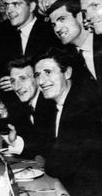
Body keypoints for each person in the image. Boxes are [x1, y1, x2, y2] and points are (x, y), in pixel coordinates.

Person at [33, 48, 102, 195]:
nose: (42, 81)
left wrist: (48, 160)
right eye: (38, 75)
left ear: (68, 73)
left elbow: (59, 166)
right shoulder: (53, 108)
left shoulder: (82, 107)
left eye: (48, 72)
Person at [0, 0, 62, 95]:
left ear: (31, 6)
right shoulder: (4, 35)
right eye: (7, 5)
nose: (9, 10)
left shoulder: (50, 31)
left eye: (16, 4)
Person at [47, 0, 102, 92]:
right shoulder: (67, 58)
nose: (57, 29)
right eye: (54, 25)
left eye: (62, 19)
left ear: (80, 17)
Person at [7, 56, 57, 158]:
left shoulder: (50, 104)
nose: (17, 87)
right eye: (13, 81)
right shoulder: (24, 106)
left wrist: (17, 143)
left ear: (37, 79)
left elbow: (48, 149)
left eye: (23, 79)